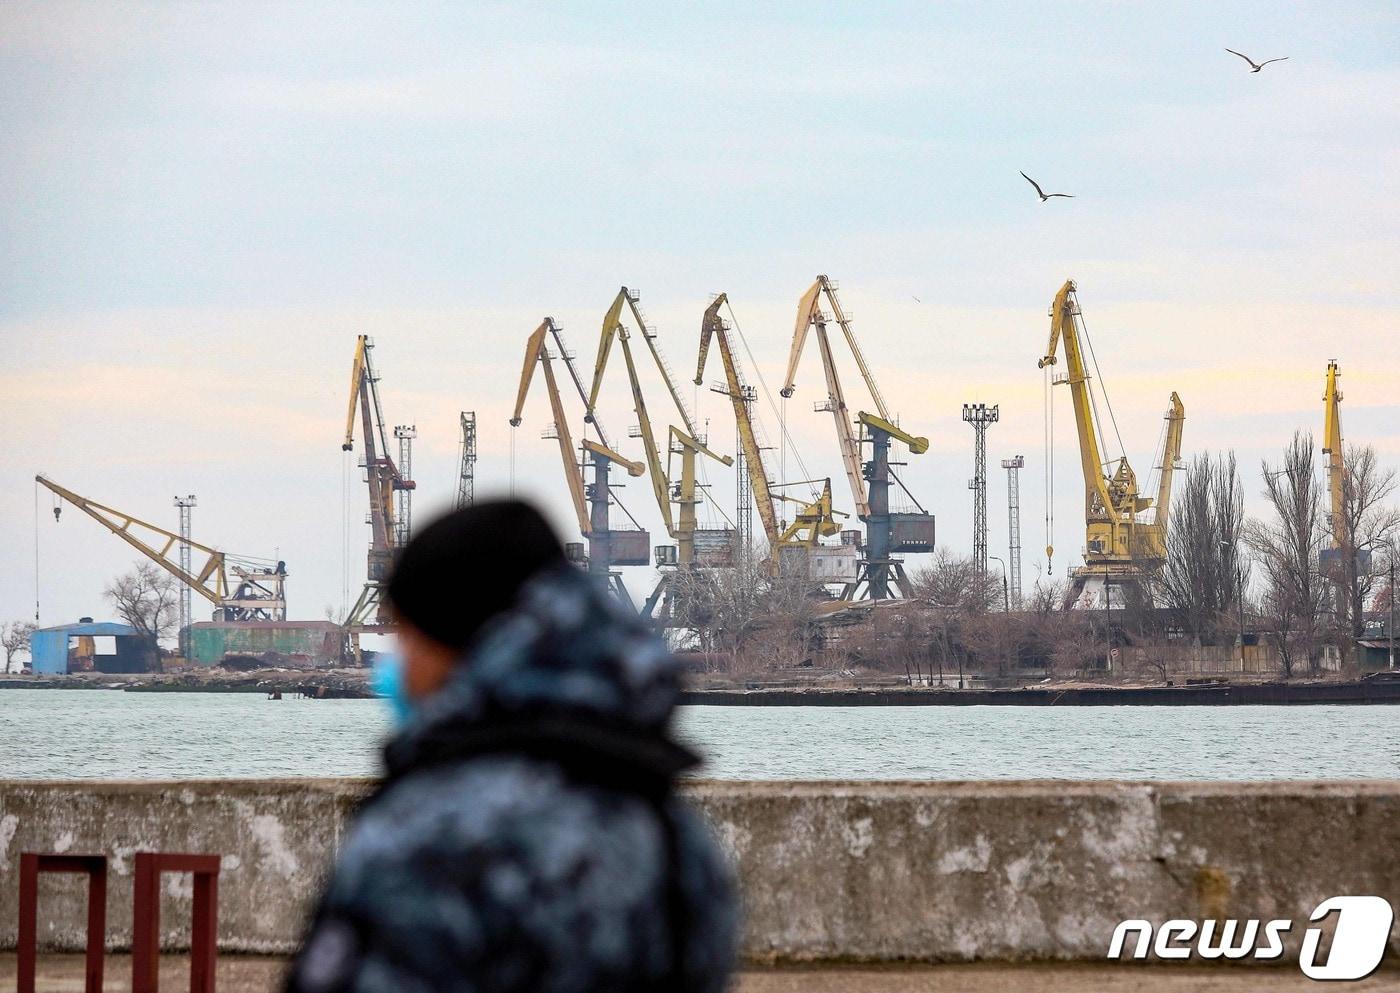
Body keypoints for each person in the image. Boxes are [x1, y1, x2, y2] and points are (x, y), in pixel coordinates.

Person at [285, 501, 737, 993]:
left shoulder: (433, 838)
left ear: (452, 645)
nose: (399, 664)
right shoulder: (673, 834)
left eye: (407, 639)